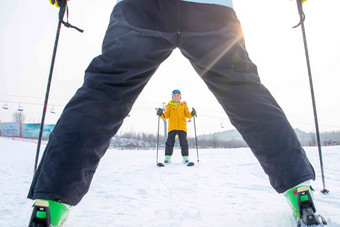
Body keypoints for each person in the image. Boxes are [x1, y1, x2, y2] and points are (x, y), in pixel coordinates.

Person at [29, 0, 319, 226]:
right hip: (211, 13)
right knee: (246, 95)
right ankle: (298, 190)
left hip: (140, 12)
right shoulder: (172, 104)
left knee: (103, 93)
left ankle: (50, 204)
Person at [156, 89, 196, 164]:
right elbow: (166, 115)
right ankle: (167, 157)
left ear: (180, 97)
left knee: (183, 142)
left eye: (178, 96)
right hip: (172, 127)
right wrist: (161, 114)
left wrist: (192, 114)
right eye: (174, 96)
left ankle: (185, 157)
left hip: (182, 127)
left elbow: (188, 115)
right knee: (169, 142)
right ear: (172, 97)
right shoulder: (169, 106)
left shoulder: (184, 105)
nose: (176, 97)